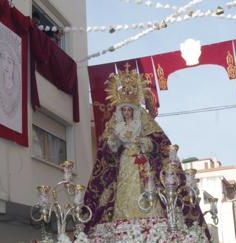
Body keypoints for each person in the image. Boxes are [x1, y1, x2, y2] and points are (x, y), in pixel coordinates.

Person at [83, 67, 205, 232]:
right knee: (124, 188)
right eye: (124, 109)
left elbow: (156, 143)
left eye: (129, 109)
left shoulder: (143, 123)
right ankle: (123, 217)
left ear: (134, 110)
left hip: (141, 161)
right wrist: (115, 142)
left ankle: (150, 216)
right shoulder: (116, 125)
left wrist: (144, 142)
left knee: (145, 186)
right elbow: (109, 149)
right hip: (125, 161)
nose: (126, 112)